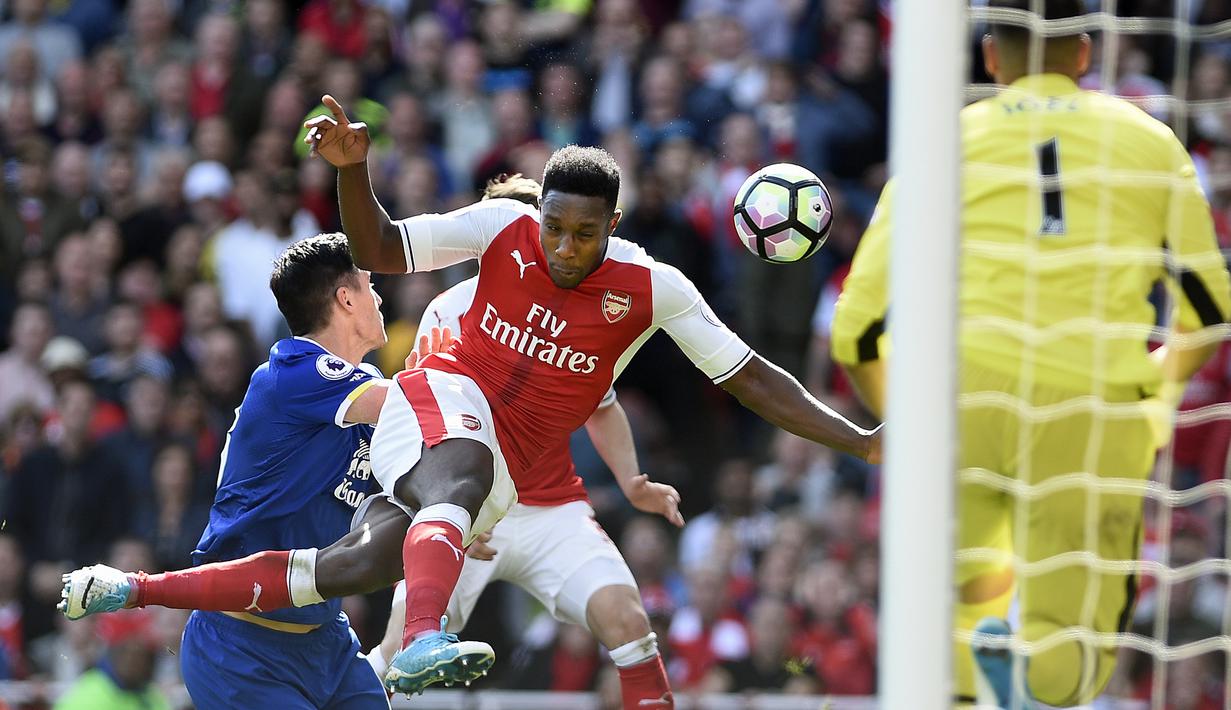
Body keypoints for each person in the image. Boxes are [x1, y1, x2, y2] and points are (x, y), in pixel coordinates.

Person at [66, 97, 880, 703]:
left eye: (582, 234)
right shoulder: (500, 230)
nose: (561, 247)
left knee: (356, 566)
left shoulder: (654, 288)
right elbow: (381, 247)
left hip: (518, 488)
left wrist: (862, 441)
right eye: (552, 227)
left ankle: (145, 589)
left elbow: (747, 377)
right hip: (439, 405)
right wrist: (353, 172)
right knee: (459, 466)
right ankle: (421, 636)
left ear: (615, 225)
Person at [829, 1, 1231, 707]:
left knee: (952, 614)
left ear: (989, 58)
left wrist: (911, 426)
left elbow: (855, 330)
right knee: (1071, 633)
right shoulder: (1149, 142)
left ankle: (965, 683)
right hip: (1093, 403)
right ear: (1082, 54)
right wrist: (1155, 400)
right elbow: (1207, 311)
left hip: (968, 398)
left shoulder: (940, 144)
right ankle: (1041, 690)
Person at [363, 174, 685, 709]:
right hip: (467, 514)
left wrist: (632, 482)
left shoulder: (571, 315)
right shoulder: (446, 313)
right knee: (399, 649)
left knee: (629, 622)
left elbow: (602, 406)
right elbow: (422, 424)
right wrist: (451, 508)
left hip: (551, 506)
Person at [63, 233, 395, 708]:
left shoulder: (365, 397)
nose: (379, 296)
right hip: (241, 646)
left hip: (327, 641)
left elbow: (405, 482)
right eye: (369, 284)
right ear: (345, 298)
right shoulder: (295, 370)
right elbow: (416, 405)